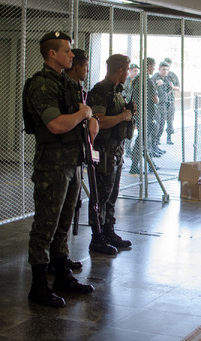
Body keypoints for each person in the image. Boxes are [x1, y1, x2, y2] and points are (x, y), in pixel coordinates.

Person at [25, 31, 95, 308]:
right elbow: (55, 125)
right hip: (52, 164)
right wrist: (83, 114)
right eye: (67, 51)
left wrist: (88, 121)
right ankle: (38, 285)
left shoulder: (66, 82)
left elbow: (78, 119)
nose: (72, 55)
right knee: (45, 226)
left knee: (64, 223)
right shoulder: (42, 85)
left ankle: (62, 274)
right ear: (52, 54)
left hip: (71, 161)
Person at [87, 54, 135, 254]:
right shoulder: (101, 91)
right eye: (127, 70)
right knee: (101, 195)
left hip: (115, 150)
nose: (128, 74)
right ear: (121, 70)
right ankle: (97, 237)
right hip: (103, 151)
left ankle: (108, 231)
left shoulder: (117, 91)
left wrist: (127, 113)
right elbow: (98, 121)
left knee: (112, 195)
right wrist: (122, 116)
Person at [129, 58, 160, 174]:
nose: (154, 68)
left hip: (139, 113)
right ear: (148, 66)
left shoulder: (137, 79)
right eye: (153, 66)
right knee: (142, 140)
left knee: (145, 139)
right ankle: (135, 164)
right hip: (147, 114)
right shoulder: (148, 81)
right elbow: (155, 99)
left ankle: (150, 164)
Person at [151, 61, 174, 154]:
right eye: (163, 69)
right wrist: (157, 84)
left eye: (167, 69)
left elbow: (169, 89)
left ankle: (156, 145)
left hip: (164, 105)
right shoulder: (155, 78)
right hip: (157, 106)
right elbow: (150, 90)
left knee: (161, 126)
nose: (165, 71)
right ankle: (152, 147)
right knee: (156, 126)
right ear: (159, 69)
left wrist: (169, 87)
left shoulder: (166, 78)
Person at [163, 57, 180, 144]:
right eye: (166, 63)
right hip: (161, 102)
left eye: (169, 64)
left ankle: (169, 137)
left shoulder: (173, 75)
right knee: (160, 120)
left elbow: (178, 88)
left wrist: (173, 87)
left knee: (170, 120)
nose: (167, 65)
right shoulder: (159, 75)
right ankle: (156, 139)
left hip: (170, 101)